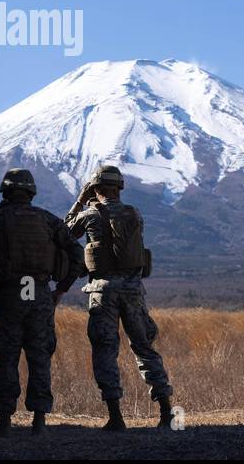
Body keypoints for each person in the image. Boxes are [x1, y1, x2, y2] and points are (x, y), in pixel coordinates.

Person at [66, 164, 175, 431]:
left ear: (95, 188)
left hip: (103, 292)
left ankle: (116, 416)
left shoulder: (90, 214)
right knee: (144, 347)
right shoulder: (134, 213)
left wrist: (80, 201)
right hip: (133, 290)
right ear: (119, 187)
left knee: (105, 350)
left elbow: (65, 231)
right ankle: (166, 411)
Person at [0, 168, 85, 437]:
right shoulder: (48, 220)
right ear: (31, 192)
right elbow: (77, 253)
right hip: (40, 295)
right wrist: (60, 290)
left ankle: (4, 422)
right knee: (39, 358)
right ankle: (39, 422)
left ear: (5, 191)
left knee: (5, 358)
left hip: (8, 296)